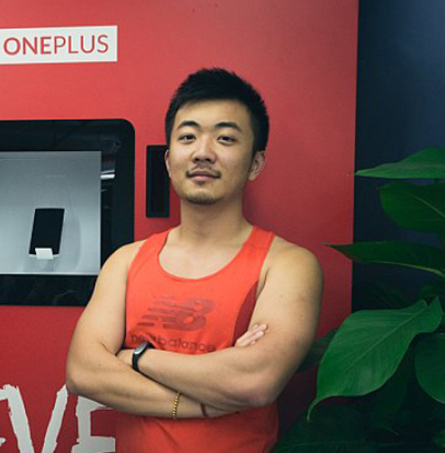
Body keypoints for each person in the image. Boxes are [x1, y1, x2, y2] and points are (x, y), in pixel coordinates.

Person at [66, 68, 322, 452]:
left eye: (225, 138)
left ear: (255, 163)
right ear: (170, 161)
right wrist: (202, 403)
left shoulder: (287, 265)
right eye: (188, 137)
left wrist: (136, 357)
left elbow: (254, 382)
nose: (203, 152)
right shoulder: (126, 261)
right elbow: (83, 371)